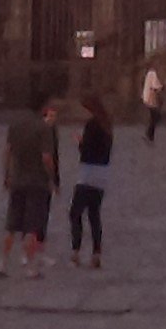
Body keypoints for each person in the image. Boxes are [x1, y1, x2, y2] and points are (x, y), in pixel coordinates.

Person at [0, 91, 59, 278]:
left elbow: (7, 152)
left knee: (11, 225)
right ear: (43, 107)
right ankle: (30, 266)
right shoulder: (43, 128)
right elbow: (47, 157)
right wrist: (53, 177)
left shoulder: (15, 125)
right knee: (33, 226)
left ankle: (2, 263)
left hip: (17, 178)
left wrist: (7, 174)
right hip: (36, 181)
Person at [69, 94, 113, 268]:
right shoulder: (107, 125)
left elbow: (86, 151)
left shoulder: (92, 125)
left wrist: (79, 142)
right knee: (94, 214)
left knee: (75, 213)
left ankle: (75, 251)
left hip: (88, 173)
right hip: (102, 174)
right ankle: (96, 253)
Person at [142, 66, 165, 144]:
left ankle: (150, 135)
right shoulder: (153, 73)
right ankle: (149, 134)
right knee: (155, 116)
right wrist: (162, 87)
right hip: (151, 98)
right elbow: (155, 85)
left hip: (147, 98)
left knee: (154, 116)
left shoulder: (148, 74)